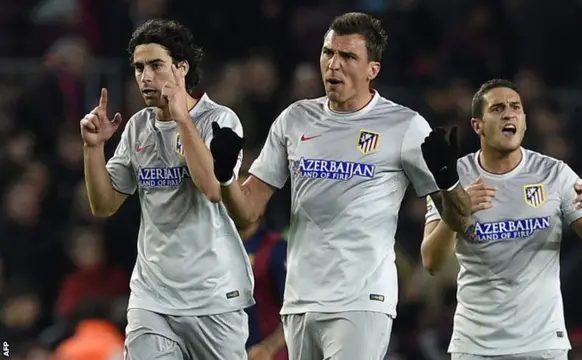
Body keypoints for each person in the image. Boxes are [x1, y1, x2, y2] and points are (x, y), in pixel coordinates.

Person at [208, 12, 471, 360]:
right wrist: (225, 176)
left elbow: (462, 219)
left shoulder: (404, 125)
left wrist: (448, 180)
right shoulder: (294, 119)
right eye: (328, 53)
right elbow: (247, 213)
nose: (334, 65)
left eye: (348, 57)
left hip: (362, 300)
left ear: (372, 69)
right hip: (300, 299)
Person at [80, 19, 254, 360]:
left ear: (182, 68)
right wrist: (93, 148)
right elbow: (103, 205)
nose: (145, 77)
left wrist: (182, 121)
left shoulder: (220, 121)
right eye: (138, 67)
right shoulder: (137, 128)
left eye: (156, 66)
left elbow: (212, 189)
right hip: (152, 296)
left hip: (214, 295)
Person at [420, 78, 582, 360]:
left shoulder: (554, 174)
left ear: (524, 121)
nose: (509, 113)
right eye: (498, 108)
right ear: (477, 125)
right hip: (475, 345)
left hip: (541, 342)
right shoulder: (454, 177)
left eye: (516, 107)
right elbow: (431, 262)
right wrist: (456, 212)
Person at [237, 173, 288, 360]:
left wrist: (268, 348)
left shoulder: (275, 249)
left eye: (244, 194)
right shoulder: (213, 250)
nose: (236, 202)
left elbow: (295, 310)